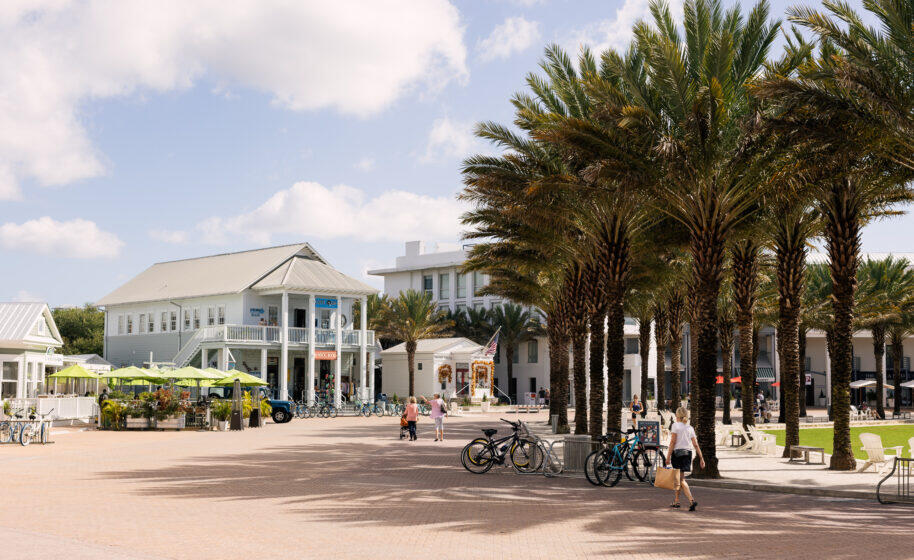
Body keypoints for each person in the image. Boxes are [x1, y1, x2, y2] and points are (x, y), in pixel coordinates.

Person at [666, 406, 705, 511]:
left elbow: (672, 442)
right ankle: (676, 501)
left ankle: (691, 500)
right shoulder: (690, 428)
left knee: (681, 479)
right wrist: (701, 458)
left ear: (677, 415)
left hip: (677, 454)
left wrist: (668, 456)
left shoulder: (675, 426)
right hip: (687, 454)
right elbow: (695, 444)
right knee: (678, 478)